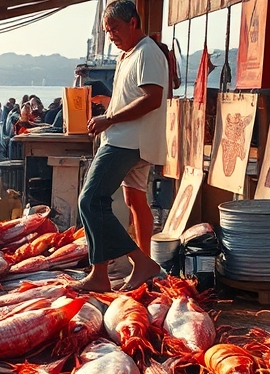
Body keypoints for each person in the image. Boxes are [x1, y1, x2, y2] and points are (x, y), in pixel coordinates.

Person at [74, 0, 167, 293]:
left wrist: (108, 119)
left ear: (133, 23)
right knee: (135, 202)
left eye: (114, 29)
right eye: (107, 30)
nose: (111, 35)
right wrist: (105, 113)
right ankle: (102, 273)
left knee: (90, 200)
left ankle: (143, 263)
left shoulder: (147, 52)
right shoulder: (127, 55)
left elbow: (152, 98)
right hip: (130, 139)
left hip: (127, 141)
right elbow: (129, 95)